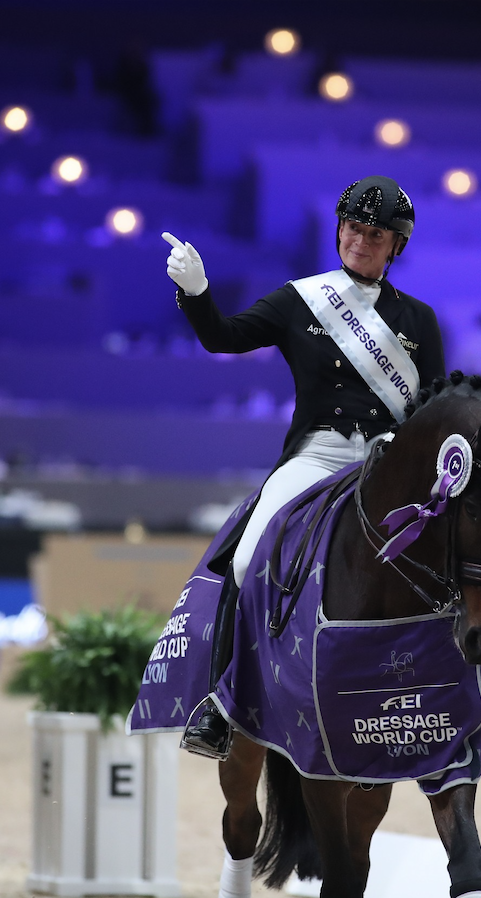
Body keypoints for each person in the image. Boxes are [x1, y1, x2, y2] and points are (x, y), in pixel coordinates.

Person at [165, 176, 445, 759]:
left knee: (456, 558)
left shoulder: (419, 322)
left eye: (376, 235)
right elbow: (225, 337)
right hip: (317, 454)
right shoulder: (302, 299)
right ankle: (222, 704)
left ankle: (463, 695)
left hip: (386, 467)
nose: (361, 242)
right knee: (246, 557)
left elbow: (432, 409)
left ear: (396, 246)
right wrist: (196, 293)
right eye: (353, 229)